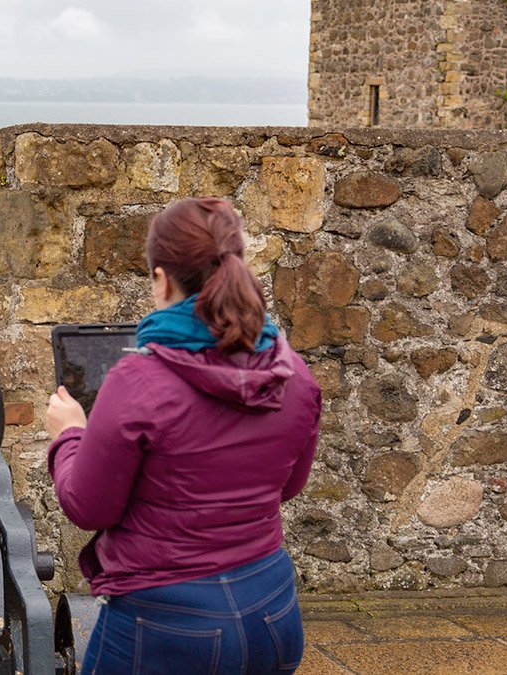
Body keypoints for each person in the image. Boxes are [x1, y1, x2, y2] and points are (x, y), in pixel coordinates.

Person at [46, 197, 322, 674]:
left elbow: (89, 508)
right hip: (271, 606)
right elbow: (288, 486)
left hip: (166, 620)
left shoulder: (138, 380)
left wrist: (70, 435)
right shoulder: (292, 371)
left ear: (161, 278)